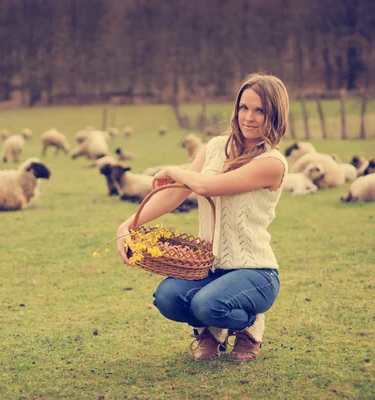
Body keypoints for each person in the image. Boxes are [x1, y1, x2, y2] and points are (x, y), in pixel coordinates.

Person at [116, 73, 289, 362]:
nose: (249, 117)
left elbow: (207, 186)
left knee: (208, 303)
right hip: (208, 267)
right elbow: (173, 195)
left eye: (260, 110)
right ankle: (210, 331)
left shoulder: (272, 163)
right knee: (167, 298)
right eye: (243, 107)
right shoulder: (213, 148)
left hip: (255, 271)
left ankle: (248, 326)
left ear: (274, 114)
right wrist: (128, 225)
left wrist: (174, 170)